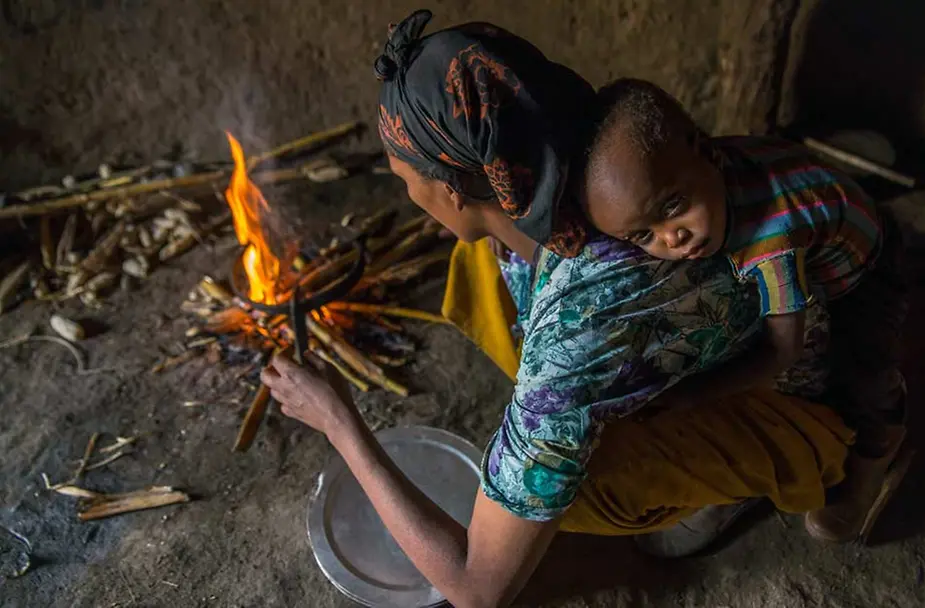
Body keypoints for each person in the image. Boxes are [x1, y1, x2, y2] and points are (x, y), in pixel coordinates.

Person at [261, 11, 852, 607]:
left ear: (451, 191)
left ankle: (772, 469)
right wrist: (477, 226)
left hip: (787, 381)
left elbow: (476, 589)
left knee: (581, 483)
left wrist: (340, 424)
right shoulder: (612, 162)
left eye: (406, 180)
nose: (409, 199)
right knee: (479, 259)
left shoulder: (580, 330)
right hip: (742, 322)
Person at [578, 78, 910, 543]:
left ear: (706, 152)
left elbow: (783, 351)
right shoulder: (701, 171)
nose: (672, 238)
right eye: (644, 236)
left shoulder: (770, 244)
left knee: (865, 369)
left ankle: (879, 452)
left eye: (673, 207)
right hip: (819, 228)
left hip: (865, 268)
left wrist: (696, 394)